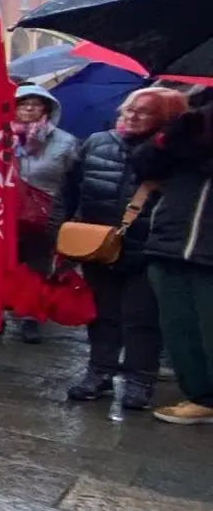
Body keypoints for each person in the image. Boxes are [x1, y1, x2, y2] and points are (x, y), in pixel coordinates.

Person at [55, 87, 188, 411]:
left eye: (143, 112)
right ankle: (99, 372)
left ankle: (140, 380)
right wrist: (56, 234)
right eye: (128, 109)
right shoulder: (96, 143)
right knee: (101, 315)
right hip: (97, 245)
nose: (131, 116)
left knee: (141, 320)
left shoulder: (179, 155)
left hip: (149, 250)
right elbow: (68, 190)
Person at [134, 91, 213, 426]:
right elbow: (143, 164)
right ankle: (201, 397)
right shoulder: (194, 120)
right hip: (170, 241)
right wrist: (171, 137)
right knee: (180, 328)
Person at [0, 85, 80, 343]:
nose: (29, 109)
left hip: (45, 211)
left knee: (37, 266)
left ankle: (31, 317)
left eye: (36, 104)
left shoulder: (65, 141)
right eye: (23, 103)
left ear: (47, 108)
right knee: (2, 263)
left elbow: (74, 179)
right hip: (4, 209)